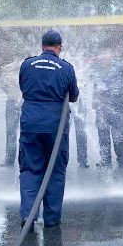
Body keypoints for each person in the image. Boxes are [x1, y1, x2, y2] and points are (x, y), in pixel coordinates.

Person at [19, 30, 79, 230]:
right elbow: (73, 97)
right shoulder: (66, 68)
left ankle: (28, 216)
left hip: (30, 125)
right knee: (55, 171)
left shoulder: (27, 65)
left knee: (30, 170)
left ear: (42, 46)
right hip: (55, 127)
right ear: (59, 47)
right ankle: (52, 220)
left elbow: (24, 88)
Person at [92, 53, 123, 169]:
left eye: (106, 59)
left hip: (117, 108)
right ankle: (105, 161)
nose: (103, 62)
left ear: (111, 59)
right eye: (102, 60)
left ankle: (122, 161)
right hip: (101, 108)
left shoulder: (118, 67)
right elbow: (95, 87)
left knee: (119, 137)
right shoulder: (96, 69)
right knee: (103, 137)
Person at [0, 59, 23, 167]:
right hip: (12, 101)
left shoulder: (32, 66)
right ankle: (9, 158)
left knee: (28, 132)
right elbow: (3, 84)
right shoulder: (8, 68)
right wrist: (12, 94)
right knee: (10, 130)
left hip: (27, 103)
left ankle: (26, 158)